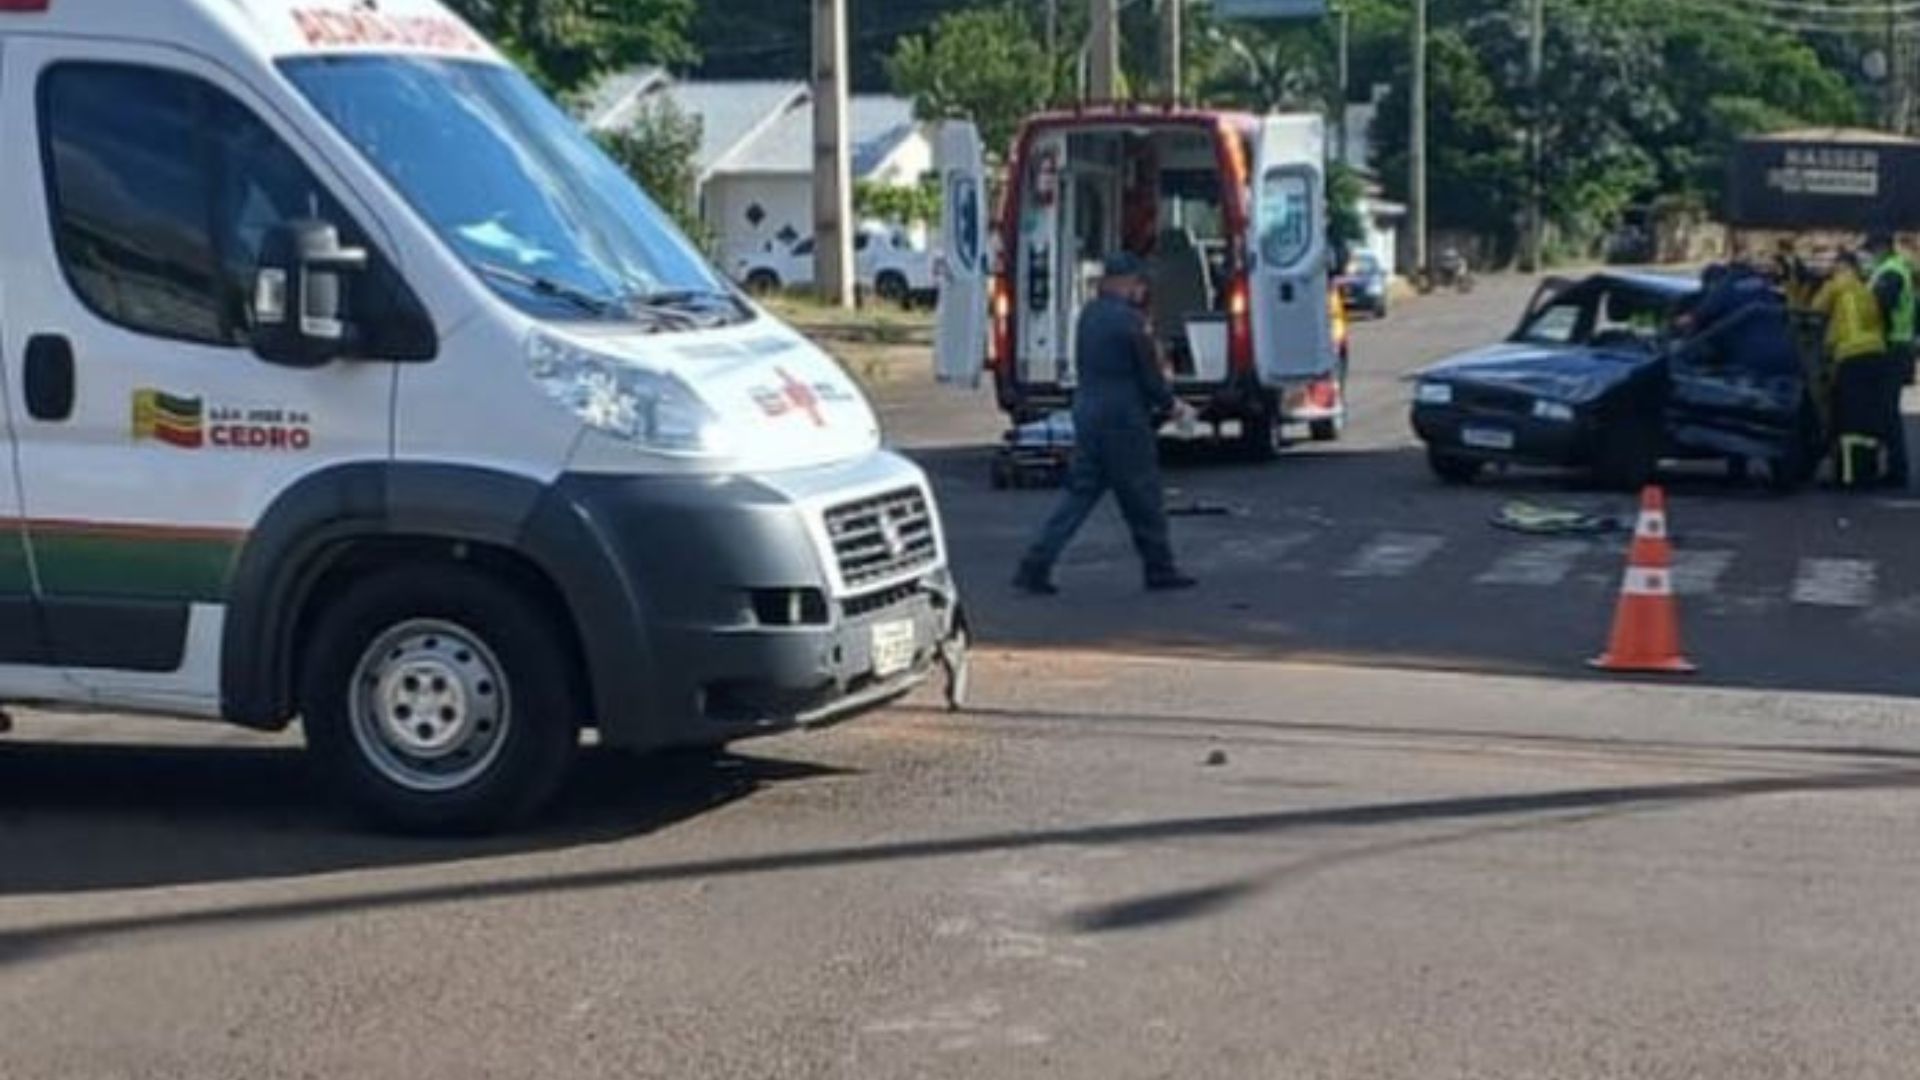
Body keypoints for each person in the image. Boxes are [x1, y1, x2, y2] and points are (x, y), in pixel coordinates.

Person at [1014, 254, 1197, 595]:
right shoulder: (1130, 322)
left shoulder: (1089, 315)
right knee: (1143, 495)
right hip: (1123, 419)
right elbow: (1149, 376)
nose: (1142, 290)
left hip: (1089, 412)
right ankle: (1160, 568)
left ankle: (1035, 563)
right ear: (1125, 282)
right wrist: (1172, 406)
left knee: (1079, 494)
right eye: (1140, 284)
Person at [1811, 251, 1903, 489]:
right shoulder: (1865, 289)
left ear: (1842, 266)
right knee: (1868, 419)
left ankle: (1849, 478)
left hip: (1852, 357)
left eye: (1833, 264)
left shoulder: (1837, 285)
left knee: (1849, 420)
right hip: (1877, 354)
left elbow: (1814, 310)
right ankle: (1868, 470)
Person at [1865, 231, 1918, 388]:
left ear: (1882, 248)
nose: (1870, 255)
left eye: (1872, 250)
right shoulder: (1896, 268)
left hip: (1891, 343)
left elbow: (1883, 306)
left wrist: (1881, 337)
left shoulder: (1891, 271)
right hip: (1900, 342)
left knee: (1886, 397)